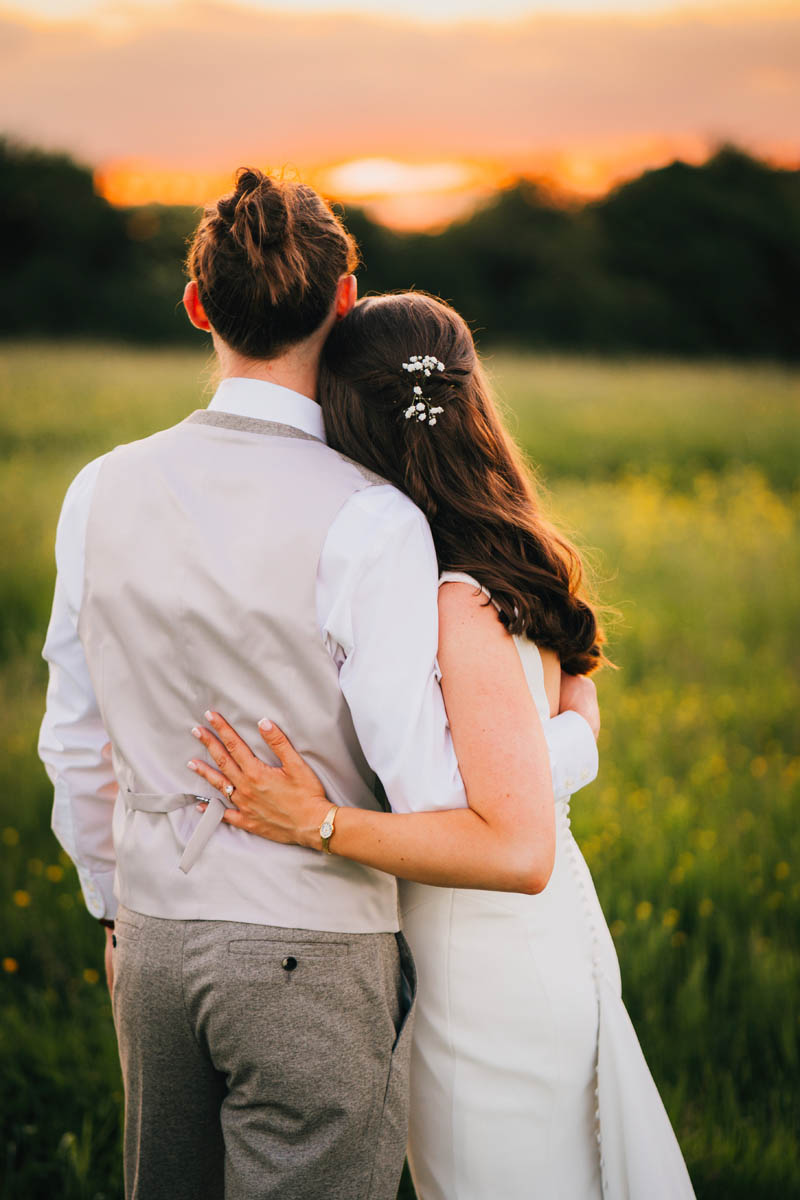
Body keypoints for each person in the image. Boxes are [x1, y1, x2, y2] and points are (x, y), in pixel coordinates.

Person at [38, 171, 600, 1200]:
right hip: (311, 952)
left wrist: (116, 913)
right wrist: (564, 735)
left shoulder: (98, 489)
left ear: (197, 306)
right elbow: (434, 791)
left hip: (152, 941)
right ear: (342, 302)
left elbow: (72, 739)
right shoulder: (372, 517)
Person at [187, 292, 697, 1199]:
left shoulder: (454, 600)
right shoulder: (506, 560)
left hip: (482, 976)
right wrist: (572, 739)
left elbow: (513, 846)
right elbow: (565, 723)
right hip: (536, 949)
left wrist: (319, 824)